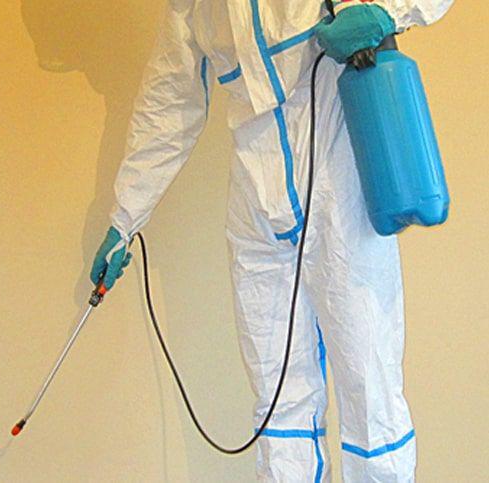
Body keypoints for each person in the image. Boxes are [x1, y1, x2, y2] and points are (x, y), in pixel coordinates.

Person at [90, 1, 453, 481]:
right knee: (278, 397)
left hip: (337, 169)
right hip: (255, 195)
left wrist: (387, 11)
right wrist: (125, 218)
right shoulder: (191, 7)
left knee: (370, 386)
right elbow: (169, 103)